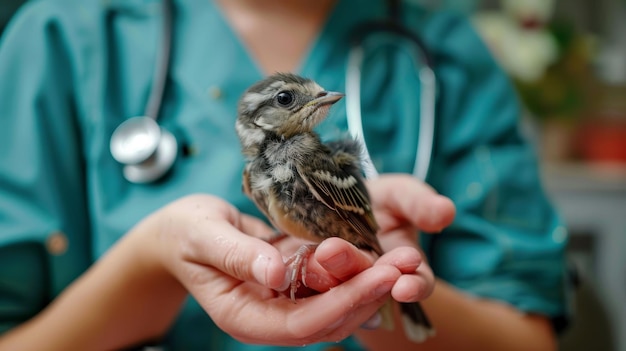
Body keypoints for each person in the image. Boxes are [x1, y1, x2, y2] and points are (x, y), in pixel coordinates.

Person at [0, 0, 568, 350]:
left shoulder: (446, 51)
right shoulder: (64, 35)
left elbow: (525, 340)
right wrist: (154, 260)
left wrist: (371, 281)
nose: (320, 104)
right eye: (293, 99)